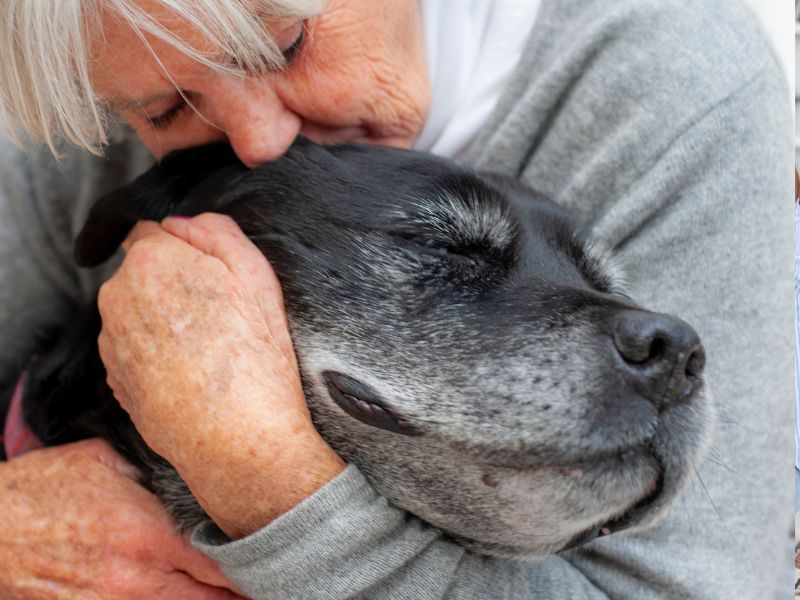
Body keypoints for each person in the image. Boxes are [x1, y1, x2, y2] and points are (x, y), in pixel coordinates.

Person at [0, 0, 793, 597]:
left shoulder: (678, 83)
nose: (260, 143)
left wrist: (260, 476)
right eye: (166, 109)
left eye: (288, 43)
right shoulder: (91, 79)